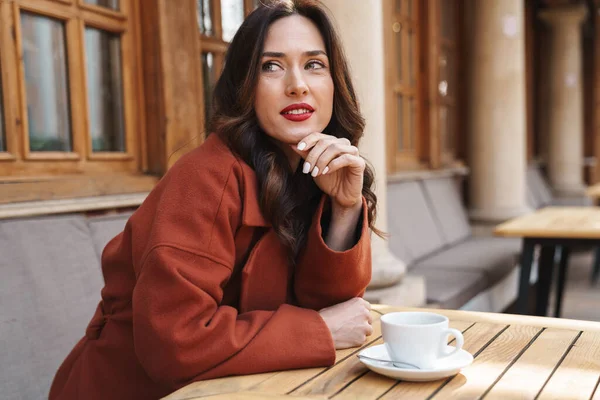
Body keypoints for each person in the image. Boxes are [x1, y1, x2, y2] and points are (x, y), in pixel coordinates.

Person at [49, 0, 380, 398]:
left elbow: (337, 311)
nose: (297, 84)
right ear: (245, 85)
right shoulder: (208, 176)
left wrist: (345, 208)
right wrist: (319, 330)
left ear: (335, 82)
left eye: (314, 64)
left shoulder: (312, 171)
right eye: (270, 66)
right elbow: (175, 343)